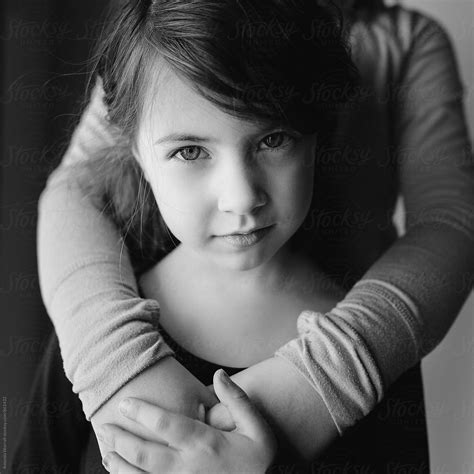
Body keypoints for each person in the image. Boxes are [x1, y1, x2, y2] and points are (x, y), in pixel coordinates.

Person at [13, 0, 474, 472]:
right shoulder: (162, 31)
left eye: (274, 139)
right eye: (191, 150)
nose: (241, 198)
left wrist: (324, 381)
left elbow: (449, 220)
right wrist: (122, 368)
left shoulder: (404, 40)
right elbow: (77, 188)